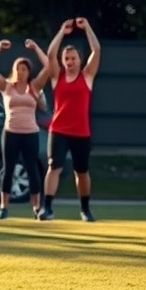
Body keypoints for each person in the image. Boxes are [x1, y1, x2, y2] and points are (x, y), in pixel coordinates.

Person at [40, 17, 101, 222]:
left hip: (81, 132)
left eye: (73, 58)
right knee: (54, 167)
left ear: (80, 60)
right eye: (66, 59)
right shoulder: (57, 77)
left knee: (81, 172)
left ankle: (85, 209)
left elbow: (97, 50)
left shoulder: (87, 76)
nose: (69, 62)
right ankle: (47, 208)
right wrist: (61, 32)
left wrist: (87, 27)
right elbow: (51, 54)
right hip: (59, 131)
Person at [0, 38, 50, 220]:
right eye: (18, 69)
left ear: (29, 72)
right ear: (14, 71)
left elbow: (49, 66)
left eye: (24, 69)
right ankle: (3, 207)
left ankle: (37, 208)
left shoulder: (34, 87)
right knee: (8, 169)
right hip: (11, 133)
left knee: (32, 170)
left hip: (30, 134)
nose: (21, 72)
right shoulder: (7, 87)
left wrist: (36, 47)